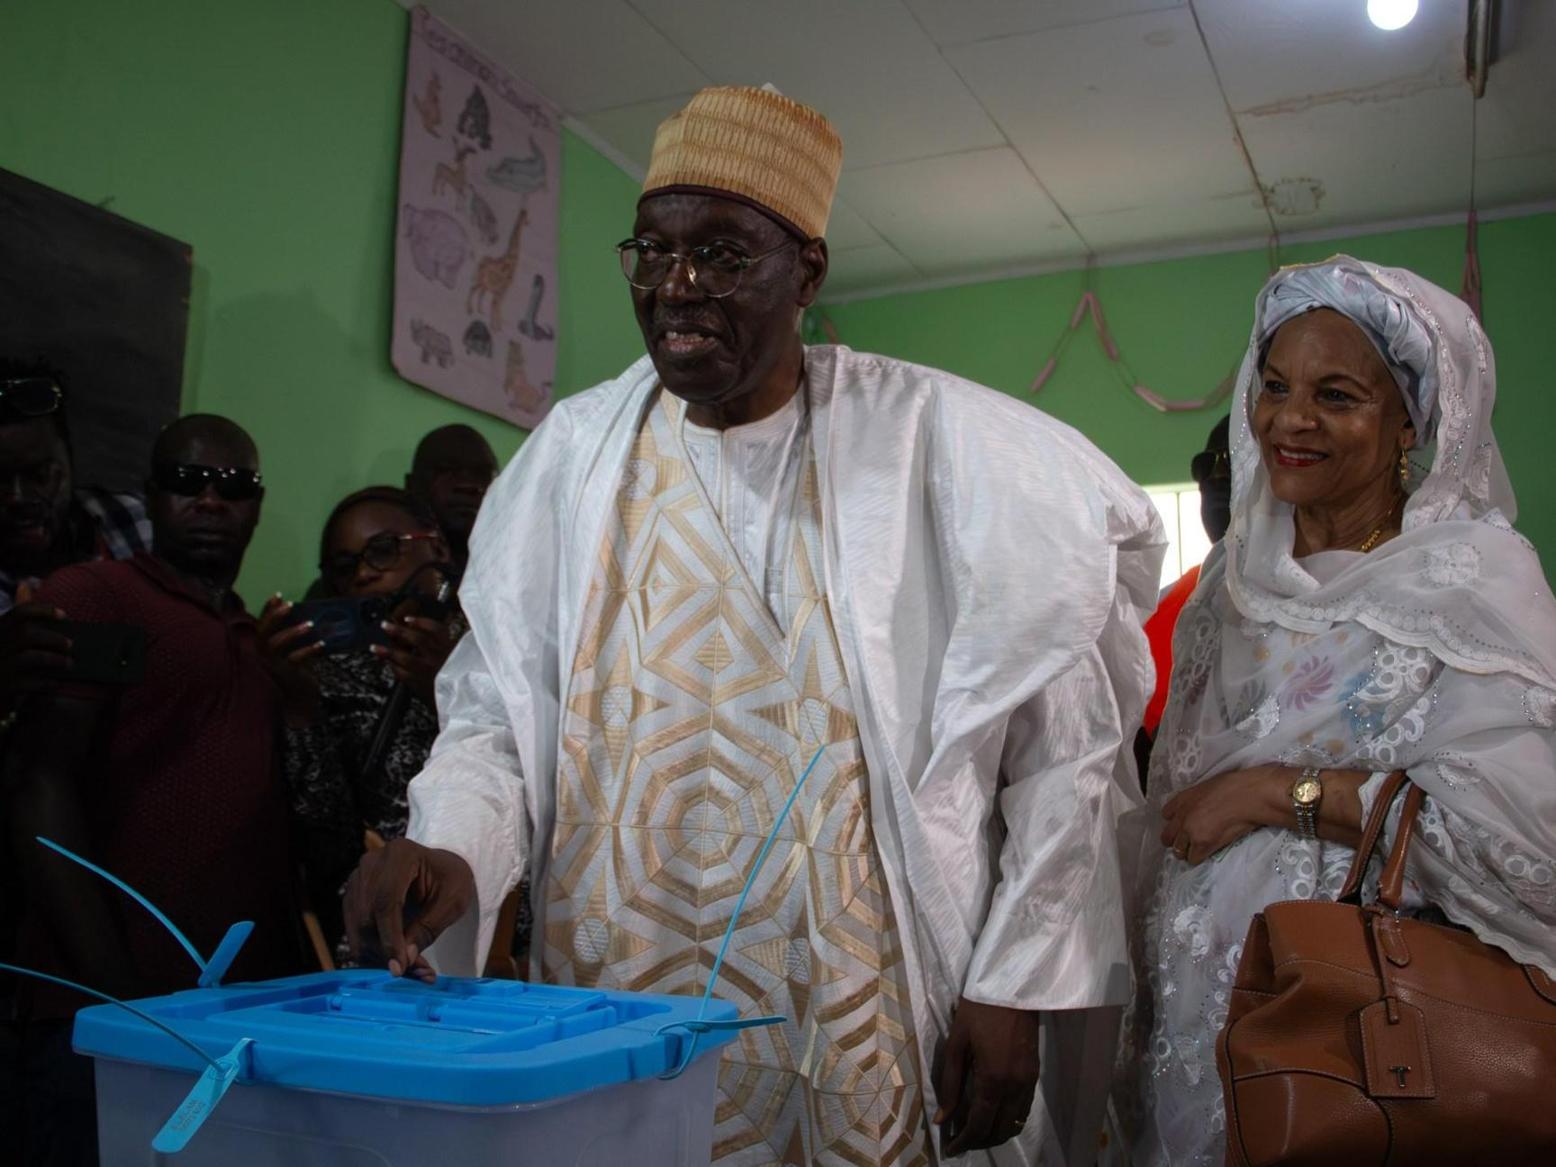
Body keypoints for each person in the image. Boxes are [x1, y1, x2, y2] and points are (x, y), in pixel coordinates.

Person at [344, 85, 1164, 1166]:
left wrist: (1014, 981)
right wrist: (452, 841)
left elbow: (1065, 756)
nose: (676, 288)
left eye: (722, 256)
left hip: (866, 1006)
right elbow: (496, 713)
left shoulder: (952, 451)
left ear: (807, 273)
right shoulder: (570, 457)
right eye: (652, 252)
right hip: (618, 989)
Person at [1119, 257, 1556, 1165]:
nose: (1291, 419)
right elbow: (1172, 811)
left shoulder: (1470, 582)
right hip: (1200, 1020)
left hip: (1372, 1032)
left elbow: (1525, 845)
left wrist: (1276, 792)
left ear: (1410, 419)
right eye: (1275, 386)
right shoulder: (1227, 590)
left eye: (1336, 395)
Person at [4, 414, 304, 1166]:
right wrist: (119, 993)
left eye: (233, 485)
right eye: (186, 480)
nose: (209, 499)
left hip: (227, 1028)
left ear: (257, 505)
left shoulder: (256, 640)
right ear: (150, 495)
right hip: (100, 1019)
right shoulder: (96, 593)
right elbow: (38, 785)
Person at [261, 487, 461, 958]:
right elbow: (325, 849)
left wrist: (449, 687)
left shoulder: (494, 646)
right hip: (378, 931)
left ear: (436, 547)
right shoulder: (324, 675)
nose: (364, 572)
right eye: (343, 566)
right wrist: (300, 708)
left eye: (383, 550)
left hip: (487, 914)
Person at [1140, 416, 1230, 742]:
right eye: (1206, 465)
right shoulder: (1155, 609)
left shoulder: (1322, 604)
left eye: (1233, 462)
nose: (1217, 478)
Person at [404, 423, 498, 576]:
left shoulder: (518, 571)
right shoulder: (383, 569)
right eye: (447, 469)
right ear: (412, 486)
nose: (468, 485)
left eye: (482, 474)